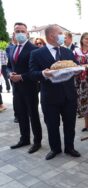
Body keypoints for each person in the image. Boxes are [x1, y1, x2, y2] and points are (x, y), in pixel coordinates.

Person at [29, 24, 81, 160]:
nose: (63, 36)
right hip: (50, 97)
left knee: (70, 124)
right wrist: (44, 73)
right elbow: (32, 73)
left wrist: (77, 71)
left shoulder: (68, 52)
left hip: (69, 95)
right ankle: (55, 149)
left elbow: (75, 66)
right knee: (52, 124)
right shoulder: (37, 53)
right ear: (51, 35)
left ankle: (70, 147)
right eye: (60, 33)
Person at [7, 22, 42, 154]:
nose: (20, 33)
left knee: (33, 115)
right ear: (14, 33)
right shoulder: (11, 48)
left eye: (22, 31)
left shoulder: (34, 49)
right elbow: (9, 66)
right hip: (16, 88)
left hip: (30, 87)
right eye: (17, 31)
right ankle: (24, 139)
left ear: (27, 33)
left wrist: (22, 76)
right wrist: (10, 73)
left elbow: (35, 71)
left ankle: (37, 141)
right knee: (21, 115)